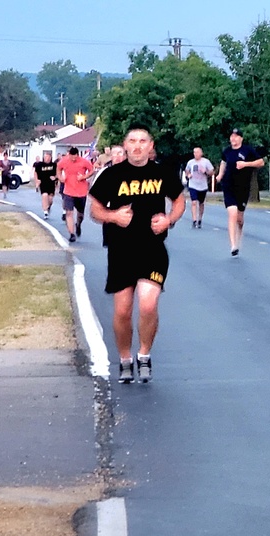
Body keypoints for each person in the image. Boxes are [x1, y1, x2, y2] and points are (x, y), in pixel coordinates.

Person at [88, 126, 186, 384]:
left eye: (143, 141)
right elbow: (94, 211)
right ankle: (124, 359)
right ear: (125, 145)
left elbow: (179, 201)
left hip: (152, 248)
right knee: (122, 311)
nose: (138, 145)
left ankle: (144, 354)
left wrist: (169, 220)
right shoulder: (111, 175)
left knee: (148, 304)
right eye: (132, 141)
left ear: (150, 145)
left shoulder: (162, 173)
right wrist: (113, 216)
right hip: (121, 251)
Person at [215, 128, 264, 256]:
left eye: (236, 136)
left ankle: (239, 236)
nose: (233, 139)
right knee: (232, 213)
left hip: (242, 187)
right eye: (232, 136)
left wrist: (245, 164)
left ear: (241, 138)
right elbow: (223, 162)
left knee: (239, 219)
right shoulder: (227, 151)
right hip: (228, 186)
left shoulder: (248, 150)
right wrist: (220, 175)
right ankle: (233, 245)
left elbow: (261, 162)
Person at [57, 147, 95, 243]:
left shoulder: (83, 162)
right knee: (69, 213)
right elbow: (58, 168)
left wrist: (84, 176)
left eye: (75, 157)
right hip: (68, 191)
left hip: (81, 191)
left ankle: (78, 224)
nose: (73, 159)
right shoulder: (64, 161)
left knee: (80, 214)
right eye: (71, 156)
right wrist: (60, 177)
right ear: (69, 154)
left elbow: (92, 170)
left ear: (77, 155)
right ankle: (72, 234)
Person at [184, 147, 214, 229]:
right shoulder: (191, 162)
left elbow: (211, 172)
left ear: (201, 153)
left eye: (197, 152)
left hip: (202, 186)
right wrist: (188, 175)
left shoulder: (206, 162)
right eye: (194, 152)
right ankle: (194, 220)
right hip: (193, 185)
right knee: (194, 202)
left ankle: (200, 219)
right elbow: (187, 170)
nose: (195, 154)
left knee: (201, 203)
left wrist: (205, 171)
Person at [33, 152, 58, 219]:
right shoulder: (39, 165)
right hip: (43, 183)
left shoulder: (54, 165)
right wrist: (37, 181)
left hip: (51, 184)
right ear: (43, 158)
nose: (47, 159)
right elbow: (35, 173)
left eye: (49, 157)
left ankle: (48, 207)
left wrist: (55, 177)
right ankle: (45, 212)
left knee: (50, 199)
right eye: (46, 157)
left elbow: (58, 173)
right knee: (44, 196)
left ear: (51, 158)